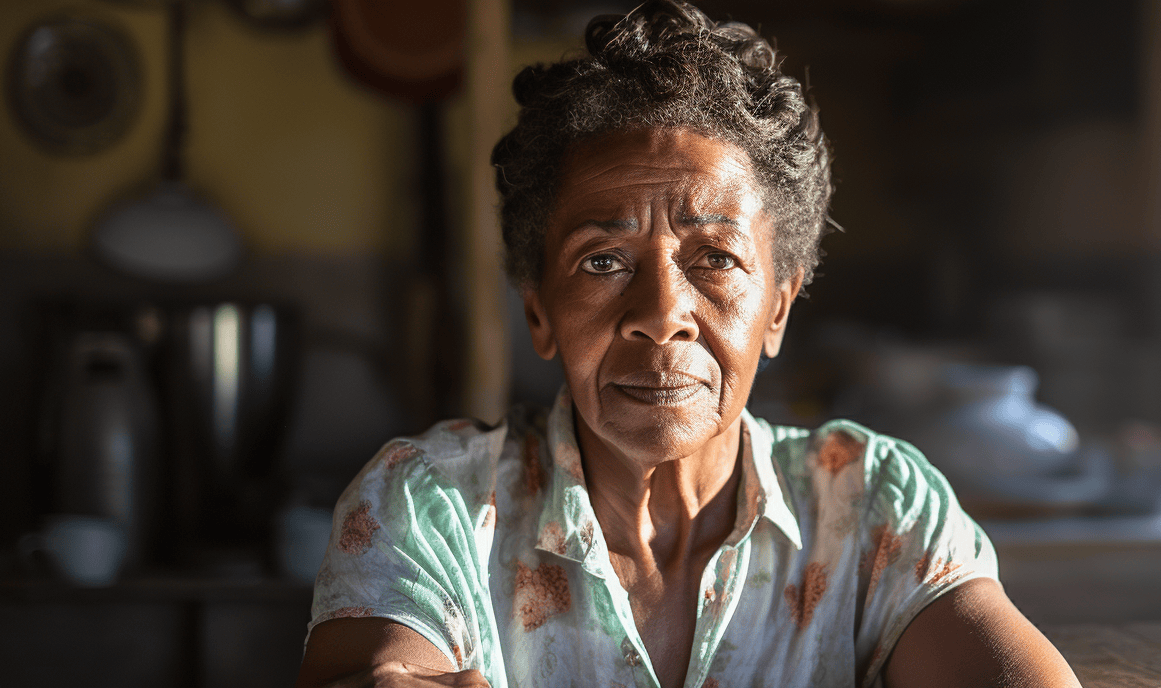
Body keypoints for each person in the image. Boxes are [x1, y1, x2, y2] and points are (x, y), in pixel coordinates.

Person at [295, 2, 1079, 686]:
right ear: (538, 313)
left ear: (777, 308)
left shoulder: (874, 510)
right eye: (603, 261)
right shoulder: (431, 506)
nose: (662, 313)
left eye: (715, 260)